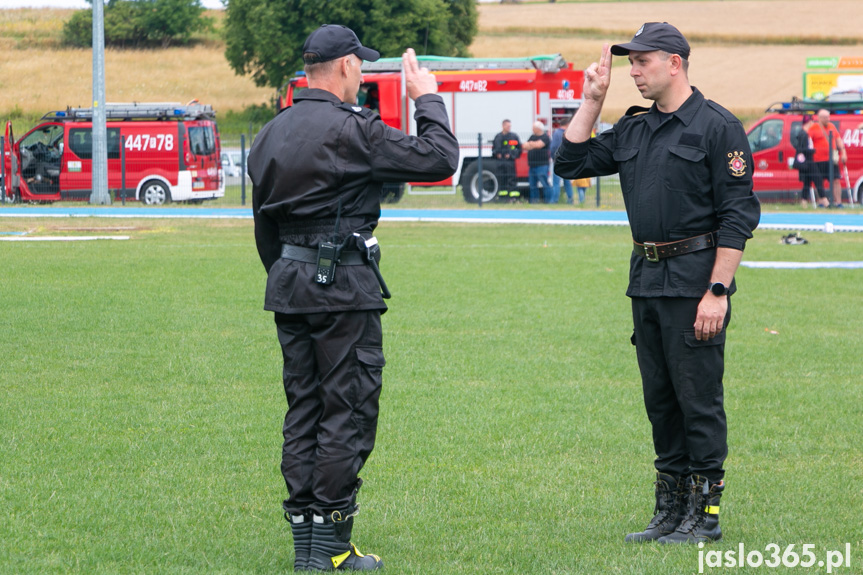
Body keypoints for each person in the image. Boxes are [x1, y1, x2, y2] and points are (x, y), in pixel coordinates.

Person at [248, 25, 458, 571]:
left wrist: (290, 274)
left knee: (304, 411)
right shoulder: (354, 131)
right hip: (343, 288)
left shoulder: (270, 133)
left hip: (289, 285)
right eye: (360, 65)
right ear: (343, 66)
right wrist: (426, 98)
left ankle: (306, 548)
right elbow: (440, 159)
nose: (363, 73)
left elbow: (264, 228)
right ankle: (333, 550)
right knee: (347, 410)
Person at [554, 22, 761, 544]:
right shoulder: (633, 129)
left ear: (674, 62)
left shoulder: (718, 128)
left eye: (642, 61)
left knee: (698, 399)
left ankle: (705, 514)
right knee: (661, 400)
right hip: (645, 280)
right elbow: (569, 163)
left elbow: (737, 215)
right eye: (630, 62)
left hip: (696, 283)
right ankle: (669, 509)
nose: (633, 71)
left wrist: (718, 291)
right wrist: (591, 101)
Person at [807, 108, 847, 208]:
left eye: (828, 117)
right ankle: (822, 201)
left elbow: (838, 140)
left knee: (836, 180)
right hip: (818, 160)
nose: (828, 119)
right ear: (819, 118)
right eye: (825, 117)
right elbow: (808, 142)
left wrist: (843, 153)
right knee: (819, 181)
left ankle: (838, 202)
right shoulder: (813, 128)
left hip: (831, 160)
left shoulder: (832, 126)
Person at [793, 114, 822, 207]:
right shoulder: (804, 134)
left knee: (807, 183)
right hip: (808, 162)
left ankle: (804, 202)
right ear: (809, 122)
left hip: (807, 162)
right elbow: (802, 149)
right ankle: (824, 200)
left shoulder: (803, 133)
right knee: (818, 179)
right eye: (812, 121)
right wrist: (813, 150)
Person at [492, 119, 522, 201]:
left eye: (510, 126)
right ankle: (502, 197)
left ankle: (513, 197)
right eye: (507, 126)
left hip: (510, 162)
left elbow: (519, 148)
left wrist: (512, 155)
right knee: (501, 179)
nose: (509, 127)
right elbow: (494, 149)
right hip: (500, 162)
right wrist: (496, 154)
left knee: (511, 179)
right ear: (503, 126)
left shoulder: (513, 136)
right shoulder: (498, 137)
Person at [522, 121, 551, 203]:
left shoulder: (545, 137)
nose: (532, 129)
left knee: (544, 183)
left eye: (533, 128)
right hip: (532, 165)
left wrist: (531, 144)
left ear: (538, 129)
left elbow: (539, 145)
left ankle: (548, 201)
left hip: (542, 165)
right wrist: (532, 144)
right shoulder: (532, 136)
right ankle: (534, 201)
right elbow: (525, 146)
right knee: (532, 185)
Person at [550, 117, 575, 203]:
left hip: (558, 161)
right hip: (567, 161)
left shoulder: (556, 133)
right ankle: (570, 200)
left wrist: (553, 157)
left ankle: (555, 200)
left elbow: (553, 147)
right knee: (567, 182)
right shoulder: (569, 133)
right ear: (567, 124)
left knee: (556, 183)